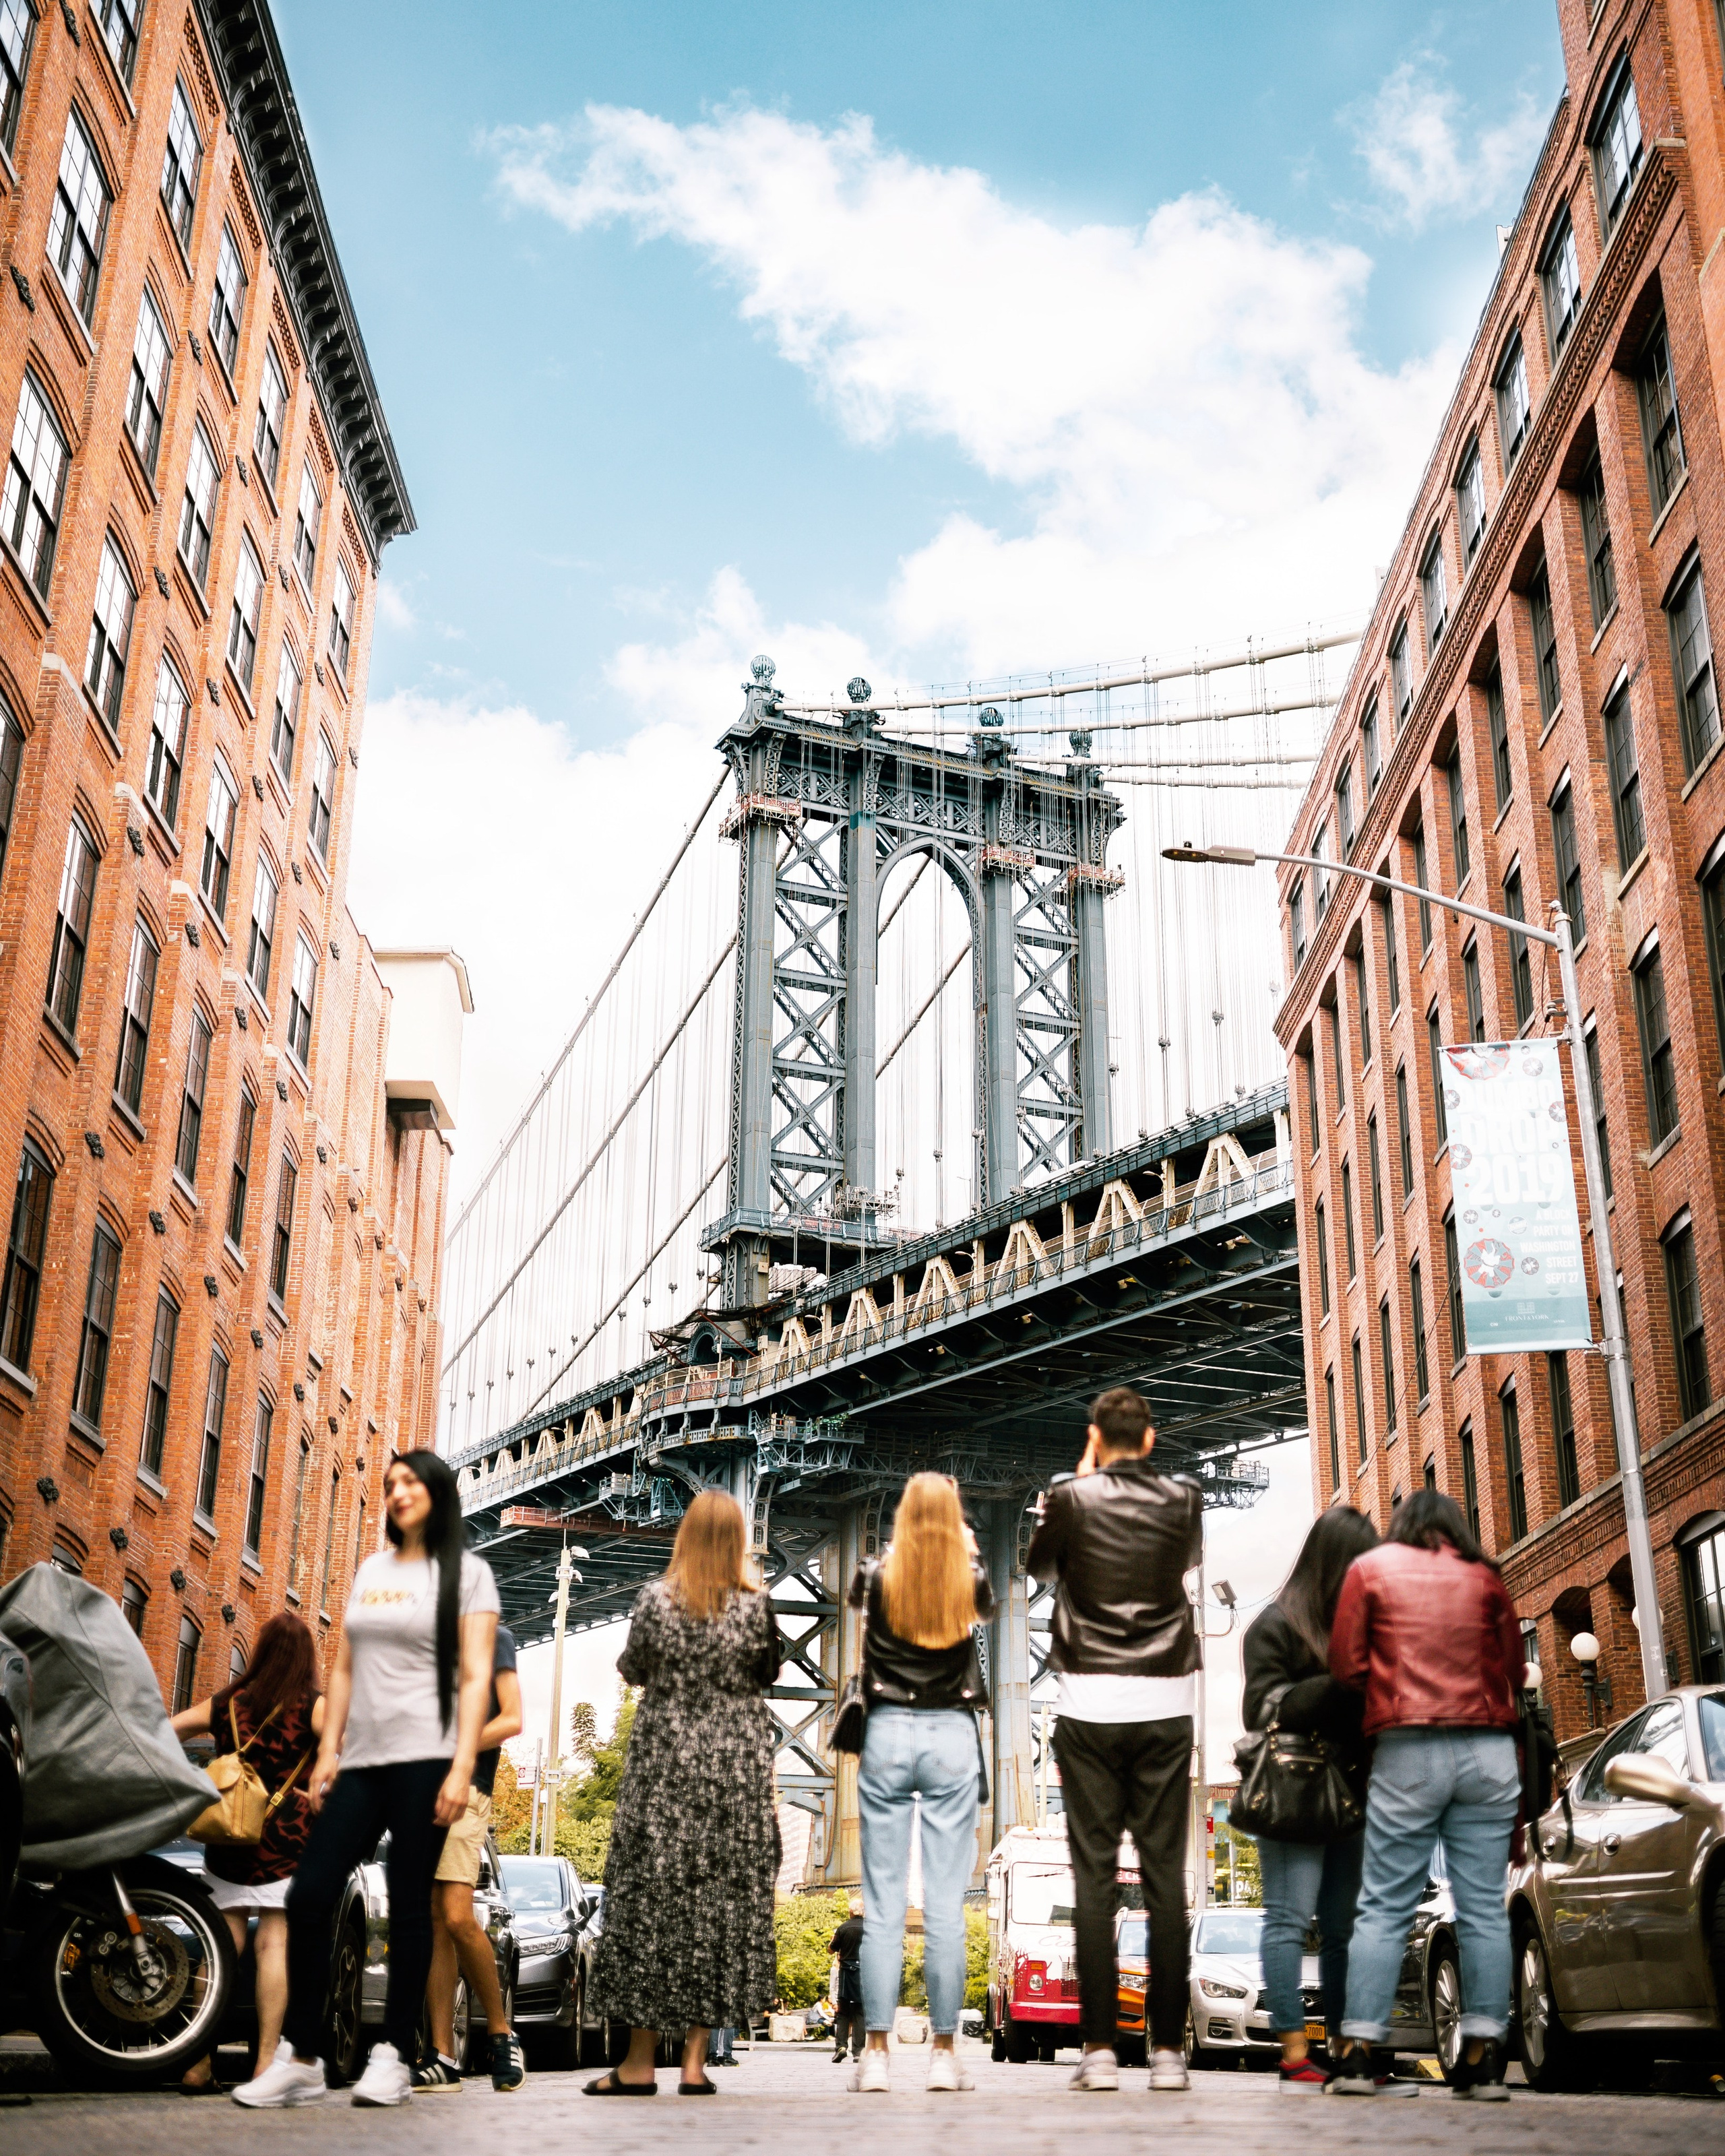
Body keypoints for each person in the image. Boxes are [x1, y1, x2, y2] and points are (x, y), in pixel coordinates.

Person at [234, 1449, 501, 2110]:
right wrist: (329, 1753)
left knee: (410, 1905)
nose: (397, 1491)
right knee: (309, 1892)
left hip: (427, 1757)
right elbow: (345, 1667)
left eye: (410, 1480)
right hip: (362, 1760)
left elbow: (474, 1678)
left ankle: (394, 2056)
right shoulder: (371, 1570)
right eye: (389, 1484)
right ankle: (304, 2054)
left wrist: (463, 1764)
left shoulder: (468, 1575)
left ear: (437, 1492)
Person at [1026, 1386, 1200, 2094]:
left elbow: (1040, 1567)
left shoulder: (1069, 1496)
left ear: (1096, 1436)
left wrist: (1076, 1483)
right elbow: (1182, 1561)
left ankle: (1098, 2050)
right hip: (1166, 1701)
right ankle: (1166, 2053)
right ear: (1151, 1438)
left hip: (1088, 1704)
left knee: (1094, 1879)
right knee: (1163, 1880)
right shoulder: (1184, 1499)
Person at [1327, 1489, 1525, 2101]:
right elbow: (1515, 1672)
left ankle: (1359, 2051)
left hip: (1408, 1748)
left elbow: (1345, 1666)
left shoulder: (1370, 1571)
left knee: (1384, 1904)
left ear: (1402, 1527)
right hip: (1489, 1752)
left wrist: (1389, 1688)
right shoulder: (1486, 1578)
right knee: (1484, 1908)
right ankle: (1486, 2056)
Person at [584, 1490, 781, 2097]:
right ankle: (695, 2064)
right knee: (718, 1911)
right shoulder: (756, 1608)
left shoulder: (655, 1601)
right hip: (733, 1777)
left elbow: (632, 1667)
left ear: (685, 1537)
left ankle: (639, 2063)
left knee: (651, 1908)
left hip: (665, 1772)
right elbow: (768, 1672)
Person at [848, 1473, 993, 2097]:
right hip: (951, 1736)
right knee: (944, 1906)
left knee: (882, 1906)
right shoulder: (970, 1578)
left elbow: (861, 1594)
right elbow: (982, 1604)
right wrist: (966, 1548)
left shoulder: (875, 1576)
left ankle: (876, 2055)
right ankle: (941, 2053)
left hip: (884, 1731)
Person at [1239, 1506, 1380, 2092]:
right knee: (1290, 1920)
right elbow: (1263, 1709)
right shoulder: (1274, 1626)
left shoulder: (1363, 1626)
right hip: (1294, 1793)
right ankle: (1295, 2049)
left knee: (1346, 1925)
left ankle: (1346, 2046)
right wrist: (1341, 1683)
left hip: (1354, 1791)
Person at [172, 1614, 324, 2097]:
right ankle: (263, 2066)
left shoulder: (228, 1702)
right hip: (287, 1836)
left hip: (229, 1833)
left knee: (221, 1946)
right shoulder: (313, 1706)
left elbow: (167, 1729)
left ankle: (196, 2063)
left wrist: (193, 1779)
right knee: (273, 1945)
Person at [414, 1621, 525, 2093]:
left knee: (458, 1916)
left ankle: (502, 2033)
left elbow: (512, 1720)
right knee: (434, 1920)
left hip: (467, 1788)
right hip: (417, 1792)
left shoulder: (494, 1637)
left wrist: (453, 1747)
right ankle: (441, 2056)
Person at [829, 1891, 865, 2062]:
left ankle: (841, 2047)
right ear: (863, 1912)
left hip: (846, 1972)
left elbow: (831, 1949)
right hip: (863, 1972)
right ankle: (859, 2052)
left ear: (851, 1912)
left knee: (843, 2012)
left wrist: (831, 1942)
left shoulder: (843, 1928)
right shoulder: (870, 1928)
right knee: (860, 2011)